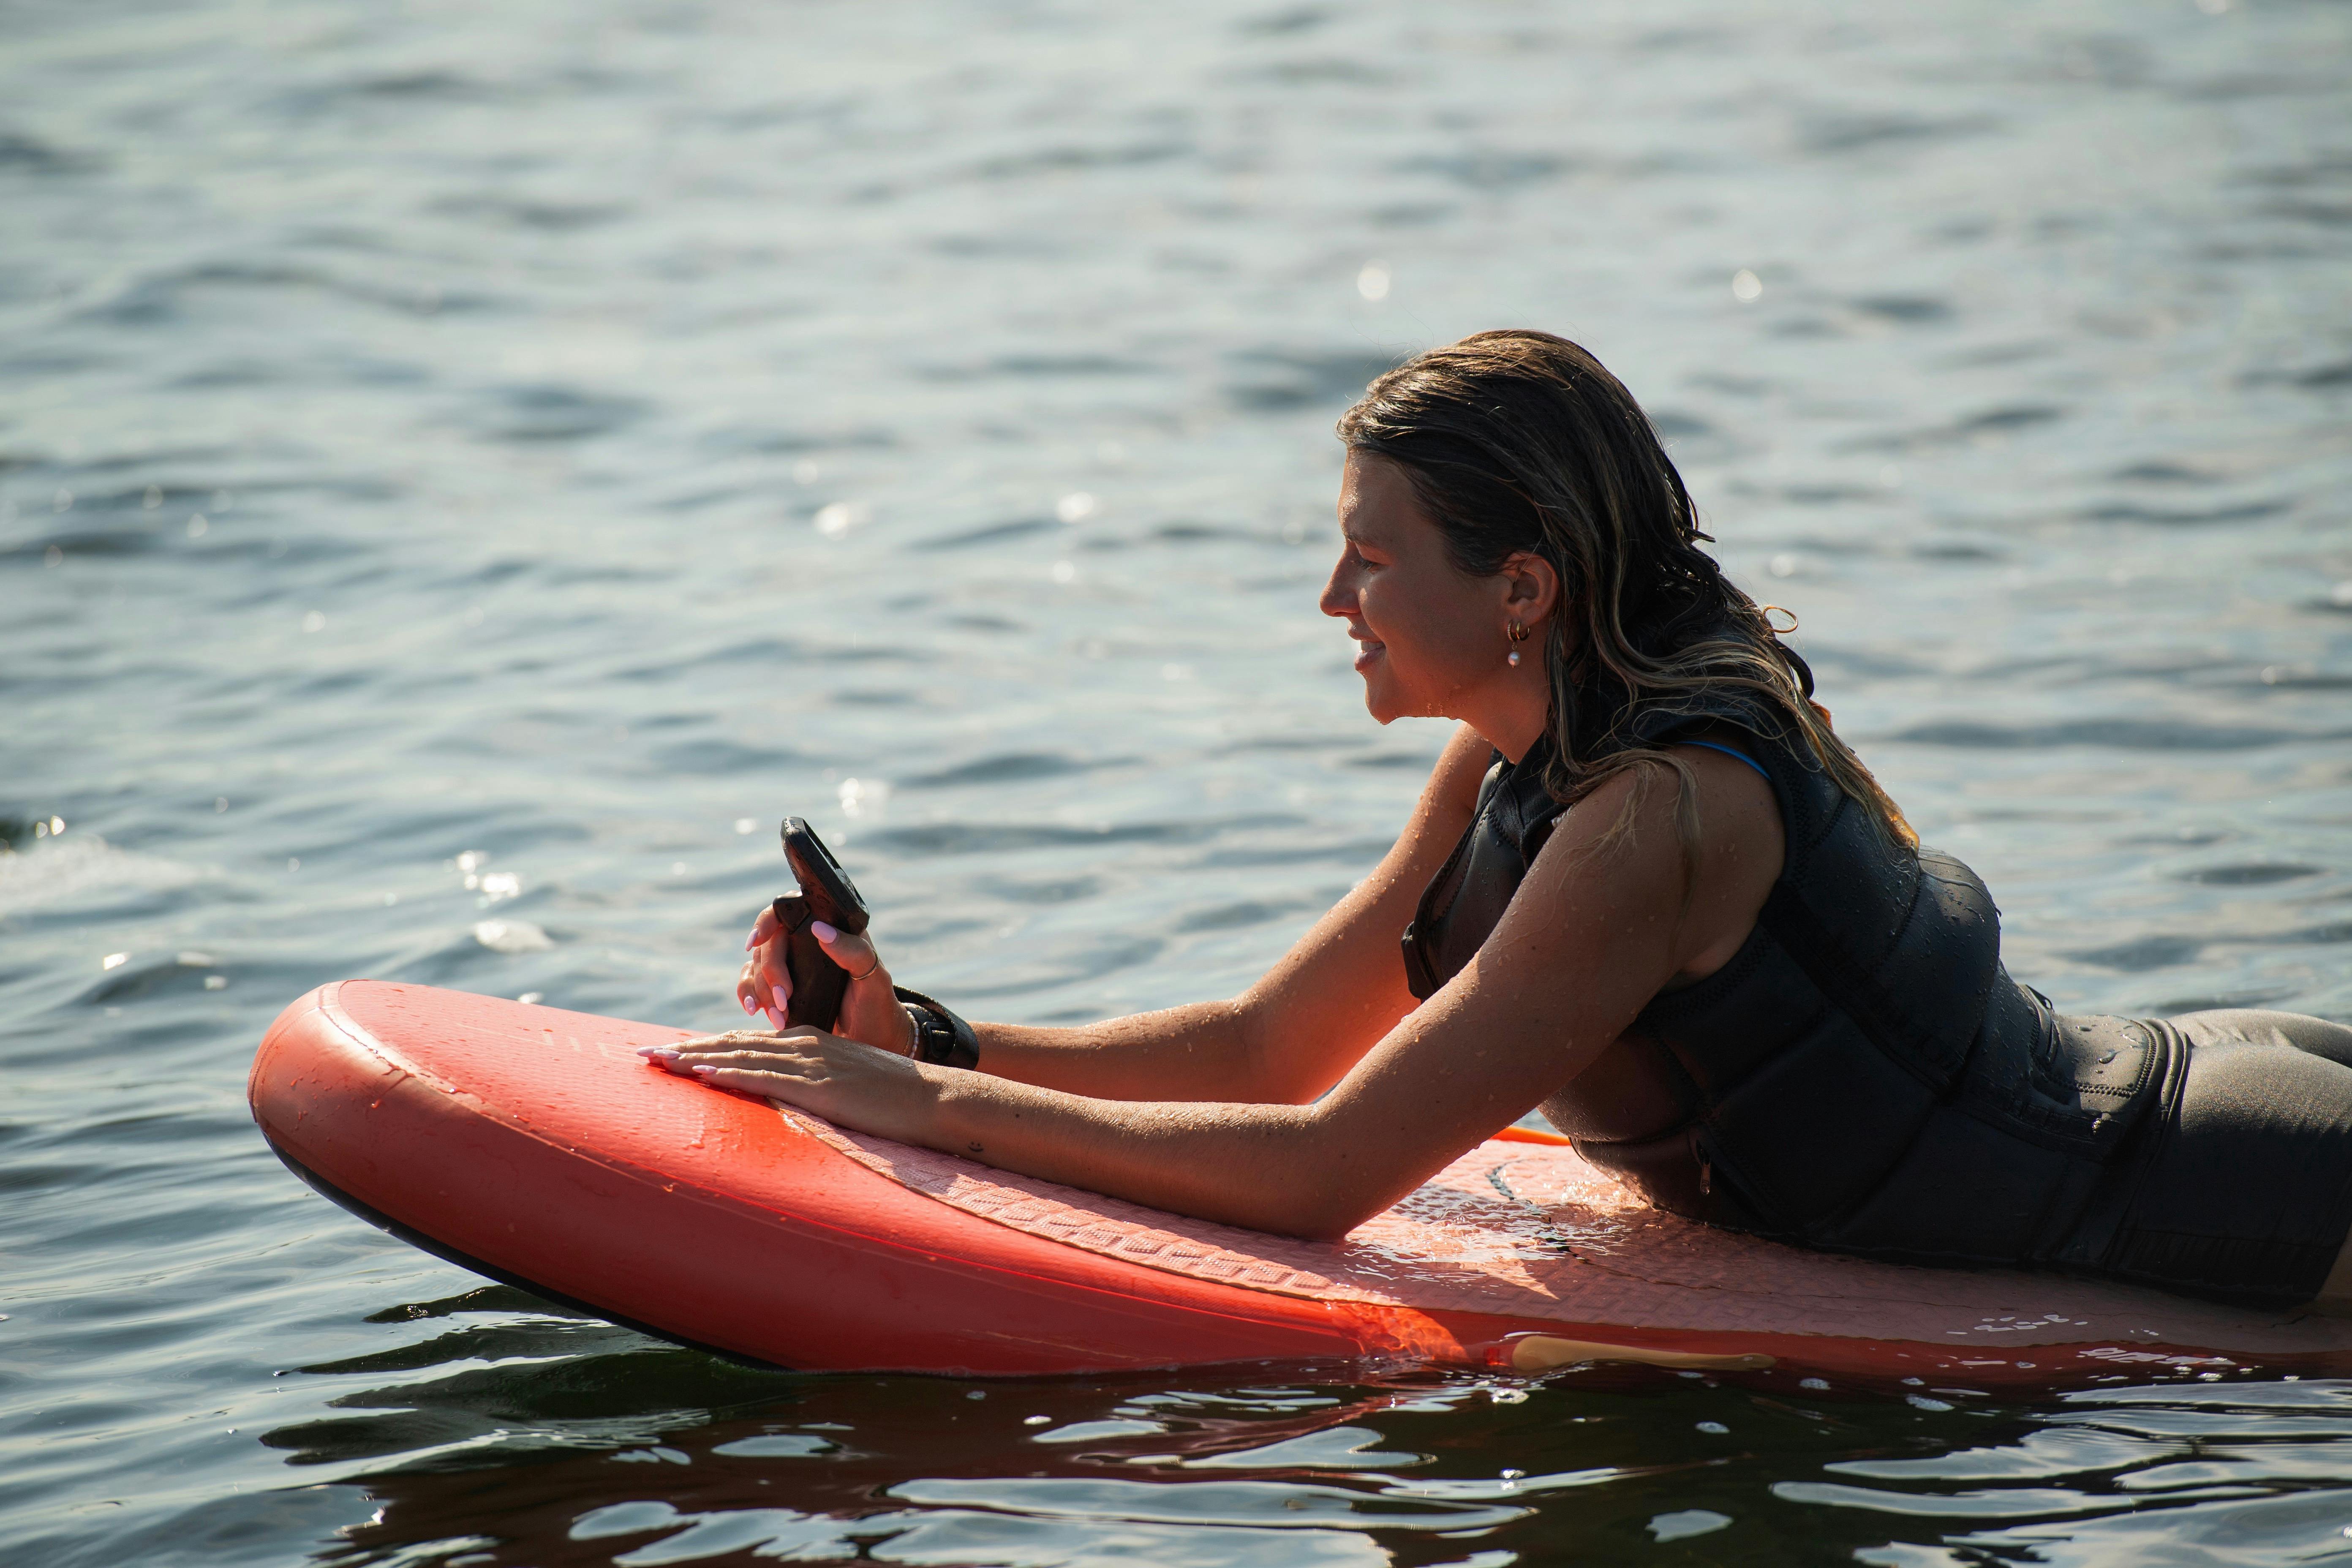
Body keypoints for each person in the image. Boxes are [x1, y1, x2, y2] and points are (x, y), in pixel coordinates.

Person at [643, 330, 2352, 1311]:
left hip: (2221, 1191)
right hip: (2162, 1085)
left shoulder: (1651, 827)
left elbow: (1323, 1173)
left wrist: (926, 1105)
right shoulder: (1513, 760)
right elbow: (1268, 1046)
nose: (1331, 598)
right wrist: (930, 1030)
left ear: (1522, 584)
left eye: (1372, 557)